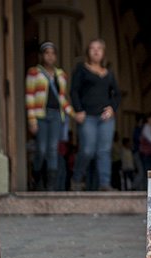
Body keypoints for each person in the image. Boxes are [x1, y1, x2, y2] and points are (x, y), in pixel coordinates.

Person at [70, 38, 121, 191]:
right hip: (87, 117)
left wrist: (112, 108)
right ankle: (77, 178)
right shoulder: (81, 69)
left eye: (99, 48)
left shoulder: (109, 74)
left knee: (104, 151)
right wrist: (78, 110)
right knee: (87, 150)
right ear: (88, 52)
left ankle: (104, 184)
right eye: (92, 48)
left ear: (103, 53)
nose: (96, 51)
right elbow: (74, 91)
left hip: (105, 118)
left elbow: (117, 94)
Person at [25, 41, 74, 191]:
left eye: (53, 53)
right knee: (41, 149)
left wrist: (73, 113)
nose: (50, 56)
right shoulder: (34, 72)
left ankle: (51, 187)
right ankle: (37, 177)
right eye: (47, 53)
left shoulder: (61, 75)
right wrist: (31, 120)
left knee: (53, 149)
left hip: (56, 116)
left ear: (56, 57)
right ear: (42, 56)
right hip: (40, 116)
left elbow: (62, 98)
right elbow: (30, 96)